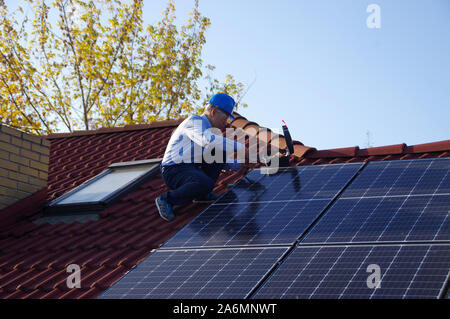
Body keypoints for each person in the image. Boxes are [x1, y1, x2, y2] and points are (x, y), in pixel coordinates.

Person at [155, 93, 252, 222]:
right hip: (173, 170)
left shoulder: (208, 130)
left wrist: (240, 165)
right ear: (213, 112)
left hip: (191, 168)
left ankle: (202, 193)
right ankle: (166, 199)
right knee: (205, 181)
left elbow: (218, 158)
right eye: (226, 118)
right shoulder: (194, 122)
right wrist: (240, 148)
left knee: (219, 151)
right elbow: (207, 140)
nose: (226, 123)